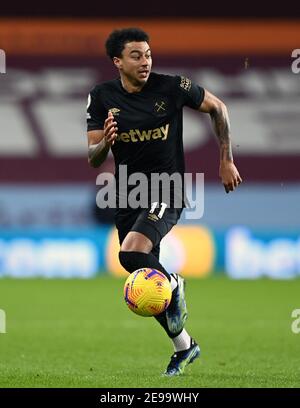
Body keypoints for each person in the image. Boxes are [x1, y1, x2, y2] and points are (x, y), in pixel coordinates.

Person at [86, 27, 242, 376]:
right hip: (127, 192)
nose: (145, 62)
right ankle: (185, 346)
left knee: (129, 253)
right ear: (117, 61)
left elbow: (218, 107)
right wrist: (105, 143)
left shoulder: (172, 87)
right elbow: (93, 157)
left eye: (148, 54)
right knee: (140, 268)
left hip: (166, 187)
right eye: (136, 56)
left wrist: (226, 158)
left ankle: (174, 283)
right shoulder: (101, 97)